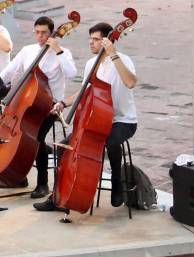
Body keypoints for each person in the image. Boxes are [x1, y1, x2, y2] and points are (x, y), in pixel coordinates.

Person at [35, 22, 137, 212]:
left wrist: (113, 54)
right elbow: (85, 91)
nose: (91, 43)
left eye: (96, 39)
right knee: (64, 148)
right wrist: (64, 103)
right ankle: (58, 196)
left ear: (108, 41)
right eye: (90, 39)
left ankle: (117, 182)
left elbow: (131, 82)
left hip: (122, 120)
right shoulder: (92, 64)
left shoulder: (122, 60)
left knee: (109, 141)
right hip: (95, 121)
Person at [0, 16, 78, 199]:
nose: (40, 36)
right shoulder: (28, 50)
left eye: (44, 33)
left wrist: (57, 50)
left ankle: (43, 183)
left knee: (36, 139)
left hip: (51, 105)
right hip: (27, 102)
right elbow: (9, 71)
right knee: (16, 135)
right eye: (37, 32)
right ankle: (18, 175)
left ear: (52, 33)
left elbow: (72, 73)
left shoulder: (63, 53)